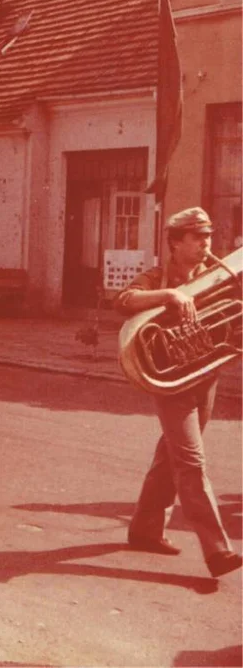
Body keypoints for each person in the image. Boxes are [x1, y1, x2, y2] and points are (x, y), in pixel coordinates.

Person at [114, 207, 241, 578]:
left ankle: (144, 529)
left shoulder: (219, 275)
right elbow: (124, 299)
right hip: (172, 383)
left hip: (205, 379)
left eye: (208, 237)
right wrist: (170, 294)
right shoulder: (157, 276)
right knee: (191, 461)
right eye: (198, 238)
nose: (206, 244)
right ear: (175, 243)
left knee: (170, 456)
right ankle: (217, 551)